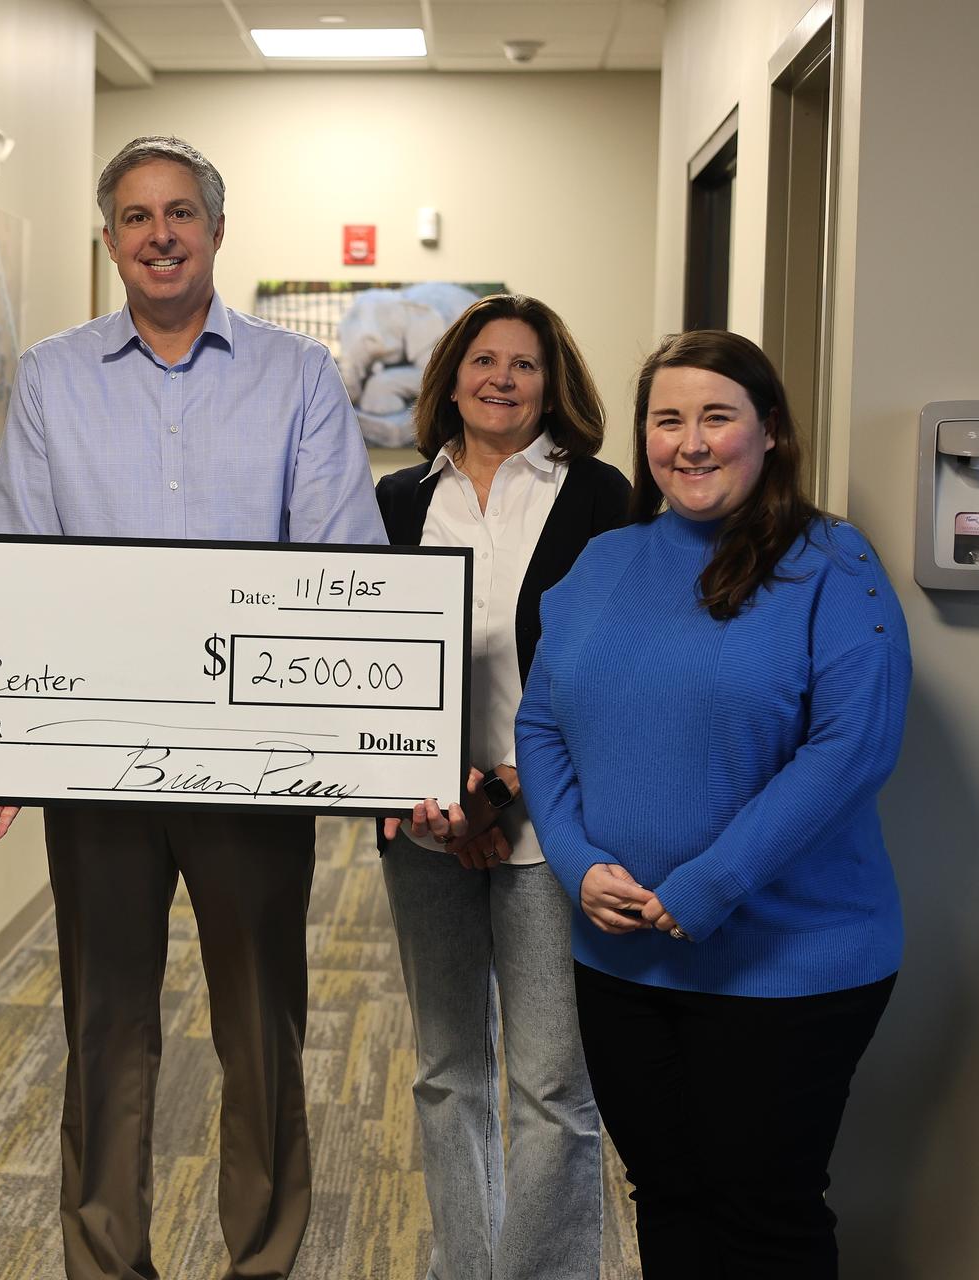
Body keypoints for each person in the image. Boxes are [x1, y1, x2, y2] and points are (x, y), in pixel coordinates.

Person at [0, 135, 384, 1280]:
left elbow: (339, 562)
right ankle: (105, 1259)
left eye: (180, 214)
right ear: (108, 238)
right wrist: (5, 742)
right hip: (97, 764)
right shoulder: (55, 376)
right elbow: (19, 565)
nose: (158, 233)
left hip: (253, 766)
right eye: (135, 216)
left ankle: (260, 1256)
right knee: (104, 1022)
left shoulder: (297, 376)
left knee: (260, 1026)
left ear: (215, 229)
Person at [516, 330, 909, 1277]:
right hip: (622, 960)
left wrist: (710, 884)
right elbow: (542, 727)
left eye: (717, 417)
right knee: (670, 1199)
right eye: (668, 420)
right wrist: (575, 862)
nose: (690, 442)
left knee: (762, 1215)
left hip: (788, 962)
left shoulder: (832, 564)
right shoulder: (604, 565)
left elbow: (852, 748)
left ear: (769, 430)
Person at [376, 293, 628, 1279]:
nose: (502, 379)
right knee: (447, 1075)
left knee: (553, 1085)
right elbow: (363, 664)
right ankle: (465, 1266)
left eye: (524, 364)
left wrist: (510, 787)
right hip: (420, 819)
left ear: (551, 379)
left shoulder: (601, 497)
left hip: (551, 826)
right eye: (484, 359)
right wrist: (426, 788)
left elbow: (615, 666)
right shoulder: (398, 501)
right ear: (453, 374)